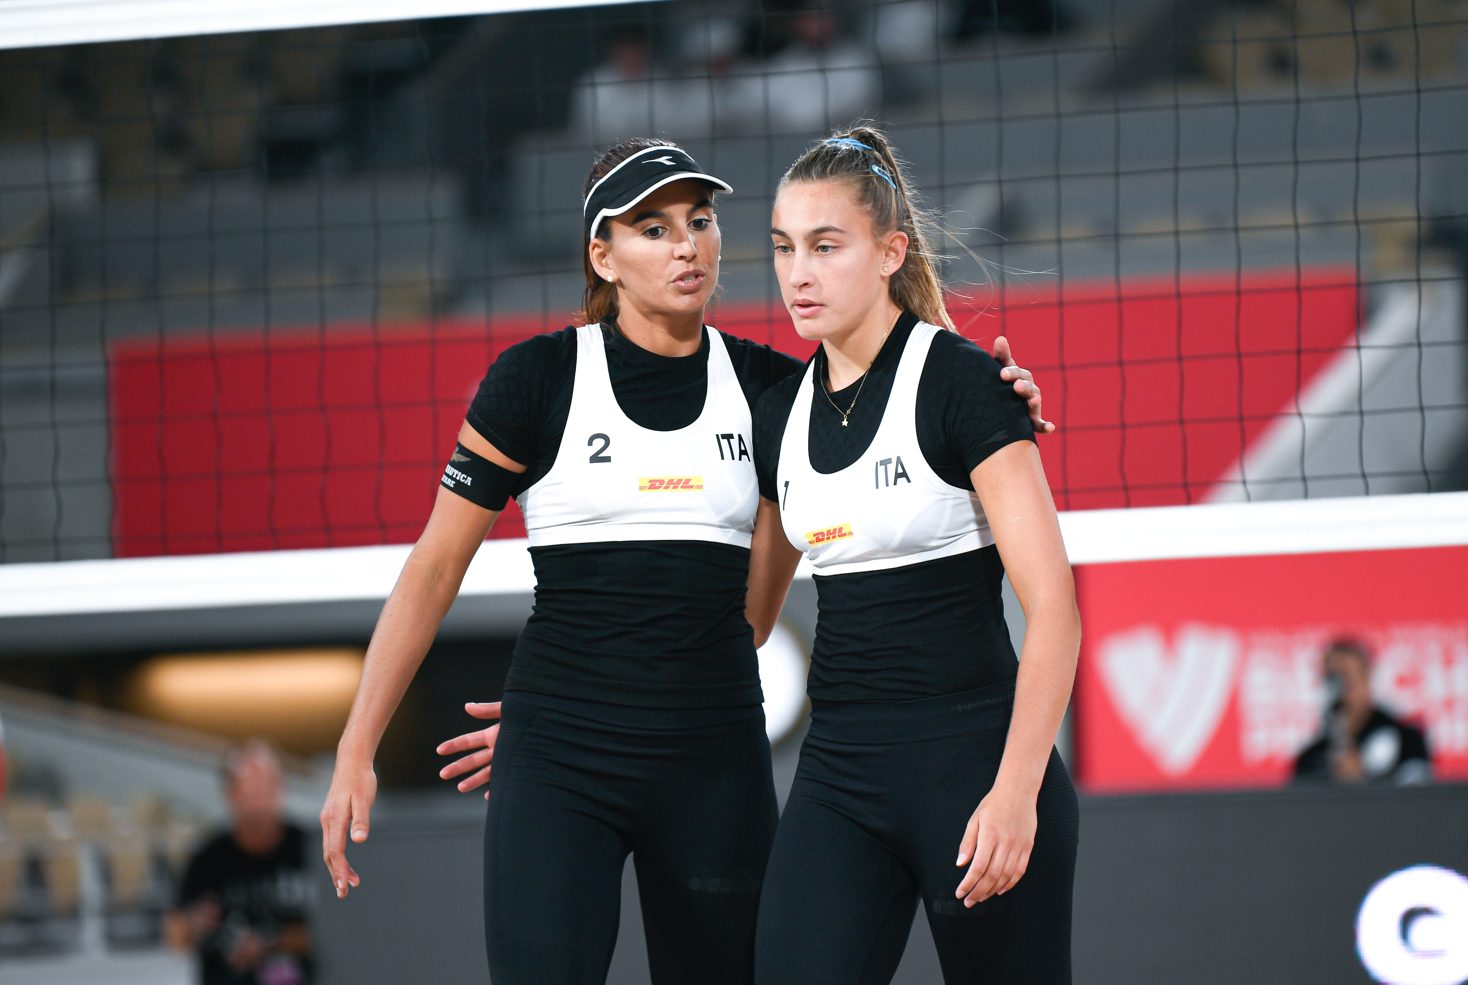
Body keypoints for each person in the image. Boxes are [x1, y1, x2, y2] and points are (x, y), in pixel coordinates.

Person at [325, 138, 1050, 985]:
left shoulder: (776, 393)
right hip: (559, 760)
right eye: (654, 227)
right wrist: (359, 746)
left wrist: (1002, 396)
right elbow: (432, 569)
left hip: (713, 760)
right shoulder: (536, 379)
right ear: (604, 254)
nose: (688, 246)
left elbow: (763, 599)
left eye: (699, 222)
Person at [749, 125, 1081, 985]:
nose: (799, 273)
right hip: (839, 777)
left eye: (826, 245)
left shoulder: (964, 384)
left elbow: (1055, 609)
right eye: (785, 248)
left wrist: (1016, 796)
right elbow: (740, 625)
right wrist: (556, 702)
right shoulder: (779, 415)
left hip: (975, 770)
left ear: (891, 250)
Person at [168, 739, 313, 985]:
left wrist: (270, 944)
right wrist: (196, 923)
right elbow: (175, 936)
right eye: (248, 789)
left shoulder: (309, 848)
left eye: (265, 787)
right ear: (230, 794)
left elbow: (339, 929)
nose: (258, 798)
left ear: (280, 789)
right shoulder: (207, 857)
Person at [1292, 638, 1432, 785]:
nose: (1339, 689)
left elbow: (1419, 796)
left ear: (1367, 677)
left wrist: (1365, 777)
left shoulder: (1407, 740)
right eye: (1331, 679)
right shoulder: (1311, 759)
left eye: (1346, 677)